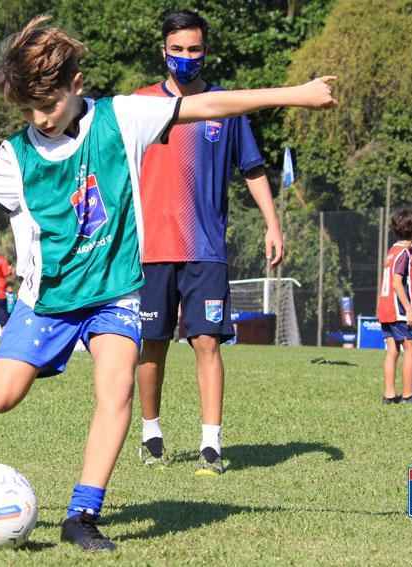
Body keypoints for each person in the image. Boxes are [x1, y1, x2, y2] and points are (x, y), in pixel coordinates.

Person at [0, 15, 336, 552]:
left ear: (75, 85)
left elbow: (209, 106)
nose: (42, 118)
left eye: (50, 105)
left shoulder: (123, 117)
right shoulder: (17, 155)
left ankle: (82, 514)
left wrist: (297, 94)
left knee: (116, 390)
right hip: (50, 299)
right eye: (31, 109)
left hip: (115, 292)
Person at [134, 10, 285, 476]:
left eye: (194, 49)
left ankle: (211, 444)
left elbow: (253, 169)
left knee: (206, 343)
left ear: (206, 51)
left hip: (205, 248)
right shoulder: (139, 104)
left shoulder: (225, 106)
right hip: (149, 250)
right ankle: (151, 433)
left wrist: (272, 224)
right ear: (163, 50)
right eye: (177, 49)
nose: (185, 57)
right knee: (151, 343)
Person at [376, 208, 412, 404]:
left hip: (385, 307)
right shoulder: (404, 253)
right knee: (410, 349)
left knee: (392, 350)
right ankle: (407, 395)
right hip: (398, 309)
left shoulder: (392, 250)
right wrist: (410, 309)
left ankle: (389, 395)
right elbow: (397, 282)